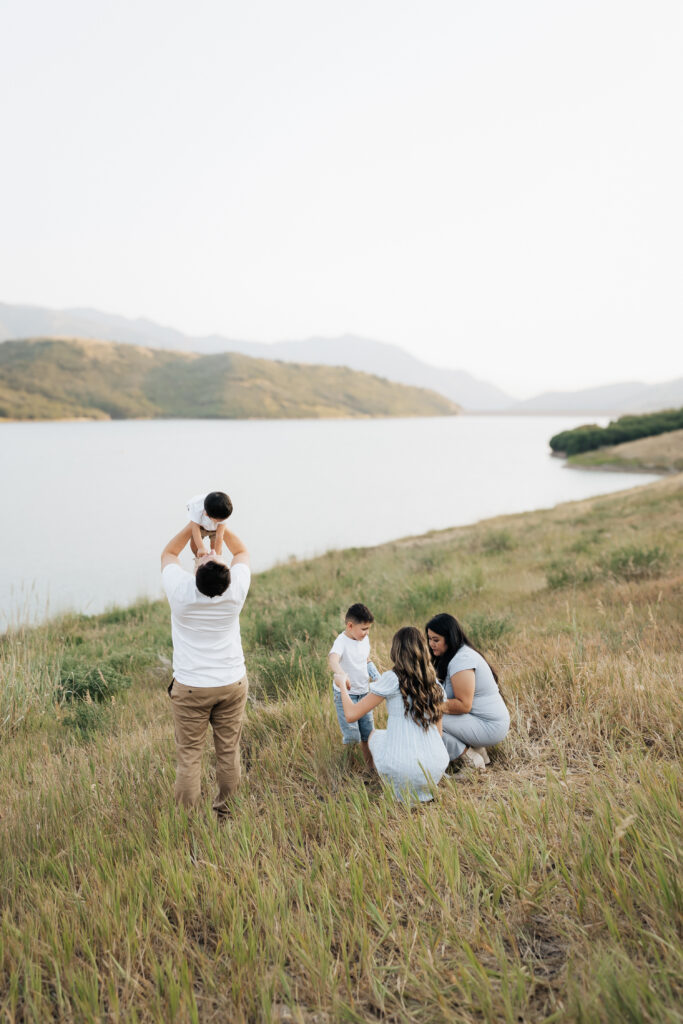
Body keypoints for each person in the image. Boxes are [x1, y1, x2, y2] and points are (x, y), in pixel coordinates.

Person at [161, 520, 250, 819]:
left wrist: (194, 524)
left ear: (196, 573)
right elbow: (241, 552)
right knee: (228, 752)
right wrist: (219, 528)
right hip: (231, 683)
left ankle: (186, 821)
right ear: (225, 574)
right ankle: (226, 814)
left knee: (189, 757)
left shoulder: (182, 592)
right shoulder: (234, 590)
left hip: (191, 688)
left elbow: (169, 554)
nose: (209, 553)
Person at [339, 626, 449, 803]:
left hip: (402, 768)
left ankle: (393, 786)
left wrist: (341, 685)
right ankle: (422, 789)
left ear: (396, 651)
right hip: (436, 766)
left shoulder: (392, 678)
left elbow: (351, 715)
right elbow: (439, 733)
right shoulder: (435, 683)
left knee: (375, 735)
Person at [425, 612, 510, 769]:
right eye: (429, 639)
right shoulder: (452, 656)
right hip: (478, 721)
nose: (431, 644)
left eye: (436, 640)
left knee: (425, 717)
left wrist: (426, 704)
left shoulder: (462, 659)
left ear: (449, 638)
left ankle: (470, 759)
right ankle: (480, 753)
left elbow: (464, 705)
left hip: (490, 726)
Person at [329, 603, 380, 769]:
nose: (366, 633)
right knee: (352, 736)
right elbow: (333, 659)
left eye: (368, 629)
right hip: (346, 695)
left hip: (364, 693)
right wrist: (341, 675)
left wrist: (375, 674)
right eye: (363, 629)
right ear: (350, 626)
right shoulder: (341, 642)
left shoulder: (364, 639)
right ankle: (347, 769)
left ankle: (370, 767)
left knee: (367, 733)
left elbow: (365, 659)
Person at [186, 491, 233, 558]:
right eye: (218, 521)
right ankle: (198, 559)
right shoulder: (196, 507)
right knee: (194, 546)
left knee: (215, 548)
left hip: (215, 529)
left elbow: (219, 536)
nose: (222, 521)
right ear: (207, 515)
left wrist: (217, 556)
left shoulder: (224, 510)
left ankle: (215, 560)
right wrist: (201, 548)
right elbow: (195, 529)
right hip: (200, 527)